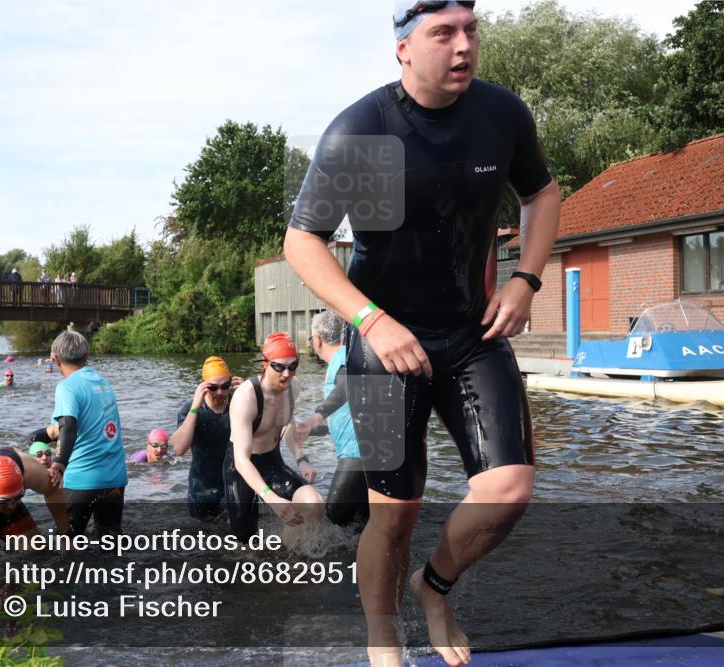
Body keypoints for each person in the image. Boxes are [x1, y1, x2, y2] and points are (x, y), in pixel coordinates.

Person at [282, 3, 561, 664]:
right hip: (382, 347)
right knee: (395, 510)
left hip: (472, 332)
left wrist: (525, 278)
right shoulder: (364, 130)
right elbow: (302, 241)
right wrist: (370, 320)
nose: (463, 46)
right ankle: (385, 634)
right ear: (404, 50)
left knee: (509, 488)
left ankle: (433, 585)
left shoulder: (501, 116)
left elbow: (541, 194)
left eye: (471, 30)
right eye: (444, 34)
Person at [224, 333, 324, 541]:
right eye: (279, 367)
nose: (287, 374)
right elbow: (241, 459)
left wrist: (300, 458)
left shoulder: (292, 387)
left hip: (272, 461)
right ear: (265, 364)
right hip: (241, 468)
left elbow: (287, 423)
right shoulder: (246, 397)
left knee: (313, 504)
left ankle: (286, 552)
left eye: (293, 365)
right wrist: (271, 498)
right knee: (244, 544)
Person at [44, 331, 128, 538]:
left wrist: (59, 464)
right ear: (87, 355)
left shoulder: (67, 387)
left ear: (55, 358)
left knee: (65, 543)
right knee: (110, 542)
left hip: (83, 479)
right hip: (115, 478)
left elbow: (68, 425)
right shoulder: (104, 384)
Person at [293, 310, 369, 526]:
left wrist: (314, 419)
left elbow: (347, 387)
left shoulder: (341, 362)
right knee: (361, 525)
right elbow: (346, 417)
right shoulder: (351, 358)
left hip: (357, 456)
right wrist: (310, 430)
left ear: (317, 341)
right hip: (370, 454)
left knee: (331, 523)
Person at [170, 356, 241, 520]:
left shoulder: (240, 404)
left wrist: (251, 396)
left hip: (233, 486)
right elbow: (178, 448)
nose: (220, 392)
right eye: (213, 387)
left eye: (225, 386)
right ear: (203, 386)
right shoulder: (191, 409)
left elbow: (264, 433)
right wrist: (195, 406)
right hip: (201, 489)